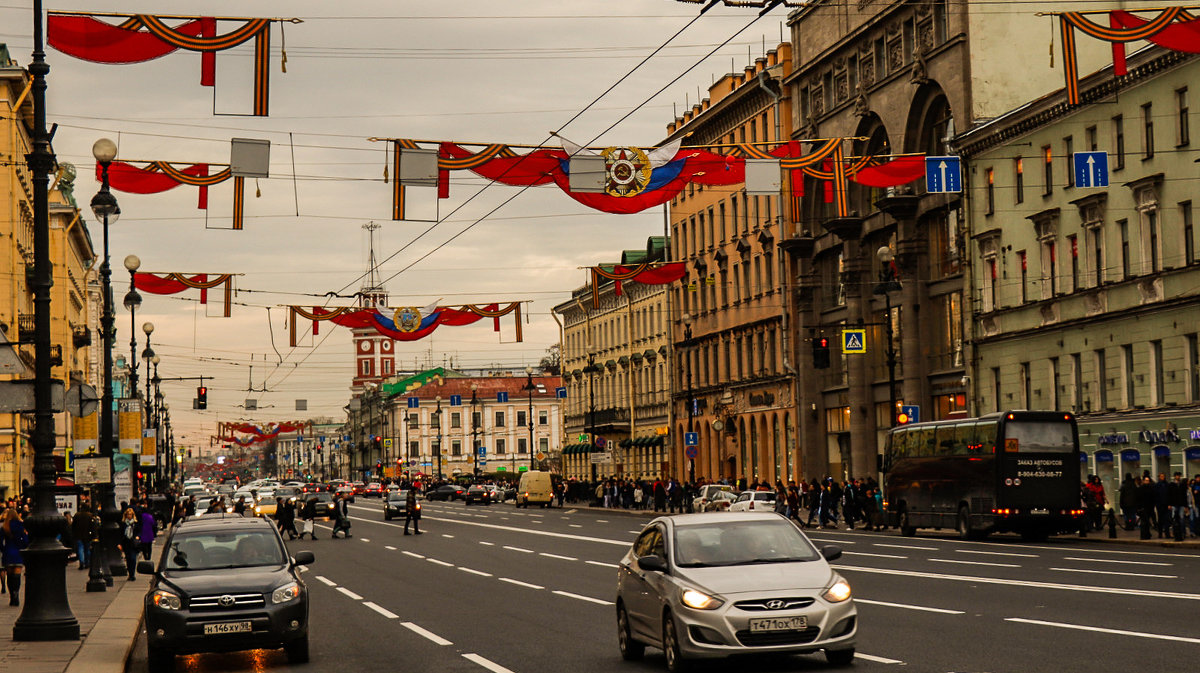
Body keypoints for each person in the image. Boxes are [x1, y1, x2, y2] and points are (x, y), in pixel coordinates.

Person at [1, 507, 29, 606]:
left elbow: (0, 542)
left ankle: (12, 595)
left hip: (8, 552)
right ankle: (16, 593)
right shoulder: (21, 525)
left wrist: (3, 549)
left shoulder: (5, 527)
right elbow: (25, 540)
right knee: (17, 575)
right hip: (18, 552)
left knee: (10, 576)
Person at [71, 504, 97, 570]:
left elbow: (73, 526)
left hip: (78, 535)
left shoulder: (77, 515)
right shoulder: (90, 516)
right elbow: (93, 526)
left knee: (80, 549)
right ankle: (87, 563)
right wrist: (94, 535)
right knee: (87, 549)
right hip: (88, 535)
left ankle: (81, 562)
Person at [119, 507, 140, 580]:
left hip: (133, 543)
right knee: (128, 559)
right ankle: (130, 574)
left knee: (133, 558)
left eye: (130, 514)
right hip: (126, 543)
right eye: (128, 514)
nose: (129, 516)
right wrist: (120, 543)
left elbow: (139, 531)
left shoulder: (135, 523)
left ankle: (132, 574)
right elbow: (120, 534)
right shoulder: (123, 524)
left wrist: (138, 536)